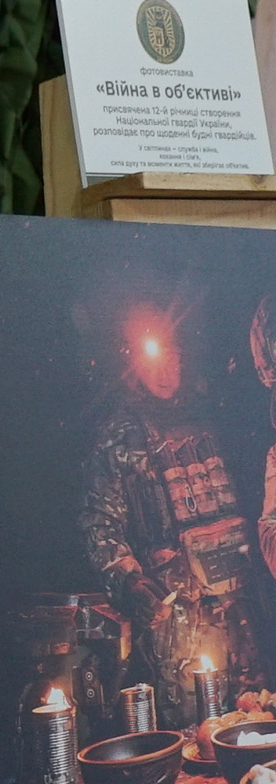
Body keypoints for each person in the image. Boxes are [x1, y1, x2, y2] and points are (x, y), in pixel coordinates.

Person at [79, 306, 260, 728]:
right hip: (178, 618)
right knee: (193, 727)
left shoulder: (216, 420)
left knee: (253, 714)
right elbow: (99, 520)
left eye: (171, 357)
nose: (163, 371)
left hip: (238, 607)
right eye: (150, 360)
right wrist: (128, 580)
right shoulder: (121, 437)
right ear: (132, 366)